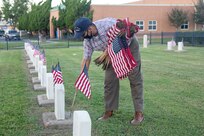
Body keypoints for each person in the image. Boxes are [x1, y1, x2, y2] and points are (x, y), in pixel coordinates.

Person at [73, 17, 144, 125]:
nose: (82, 37)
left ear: (90, 28)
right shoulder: (87, 41)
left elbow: (125, 37)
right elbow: (86, 58)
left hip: (129, 46)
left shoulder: (108, 25)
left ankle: (138, 113)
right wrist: (82, 75)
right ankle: (109, 111)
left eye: (83, 33)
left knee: (135, 79)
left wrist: (112, 50)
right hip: (110, 54)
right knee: (109, 81)